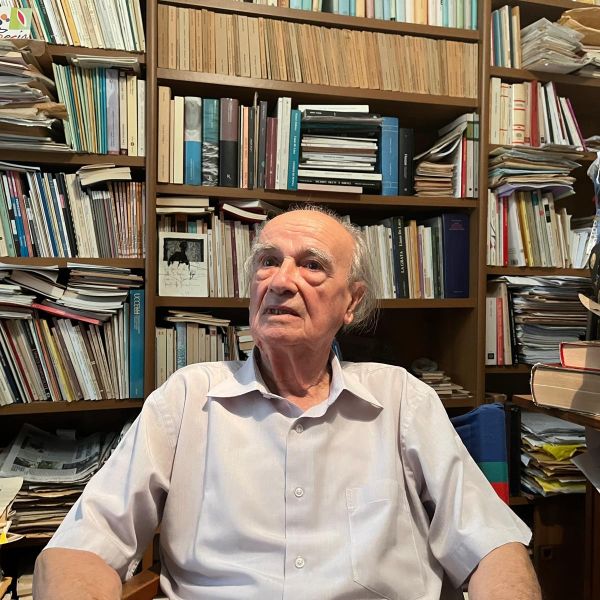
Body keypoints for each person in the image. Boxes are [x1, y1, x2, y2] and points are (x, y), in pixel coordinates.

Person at [34, 207, 541, 600]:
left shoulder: (402, 399)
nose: (280, 281)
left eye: (312, 266)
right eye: (268, 261)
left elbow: (492, 546)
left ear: (351, 302)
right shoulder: (188, 398)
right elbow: (80, 547)